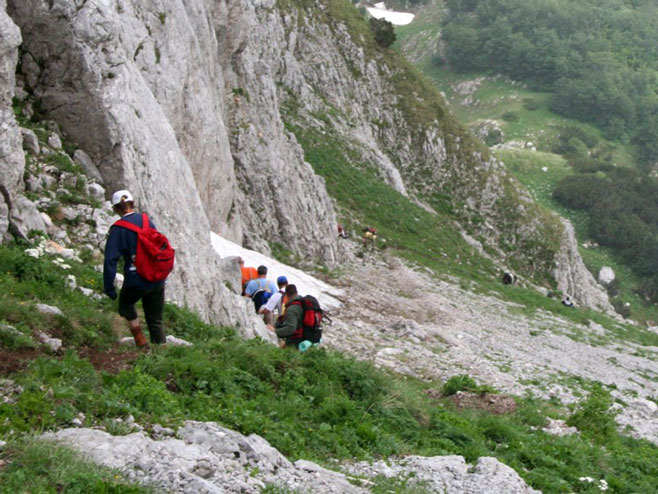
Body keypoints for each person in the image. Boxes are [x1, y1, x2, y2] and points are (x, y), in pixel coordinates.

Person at [103, 190, 166, 350]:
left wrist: (109, 287)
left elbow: (110, 260)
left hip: (136, 278)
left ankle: (140, 340)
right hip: (156, 276)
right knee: (155, 317)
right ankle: (161, 350)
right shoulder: (146, 221)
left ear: (116, 209)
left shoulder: (117, 229)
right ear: (132, 204)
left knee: (125, 305)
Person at [269, 284, 303, 348]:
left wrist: (275, 331)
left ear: (286, 295)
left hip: (297, 340)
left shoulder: (291, 309)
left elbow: (291, 328)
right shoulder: (301, 302)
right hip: (305, 336)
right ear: (297, 292)